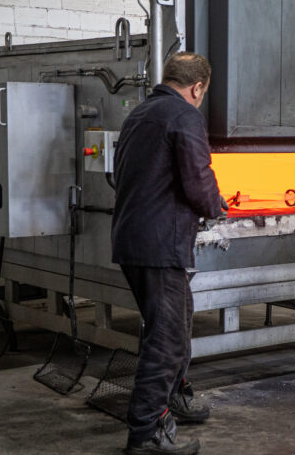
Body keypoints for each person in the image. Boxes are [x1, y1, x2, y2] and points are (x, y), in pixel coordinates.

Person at [112, 52, 227, 454]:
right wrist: (217, 206)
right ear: (197, 88)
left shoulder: (140, 114)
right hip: (160, 246)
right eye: (202, 93)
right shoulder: (185, 116)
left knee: (179, 320)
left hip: (132, 239)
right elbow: (198, 179)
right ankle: (145, 434)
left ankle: (174, 395)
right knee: (167, 341)